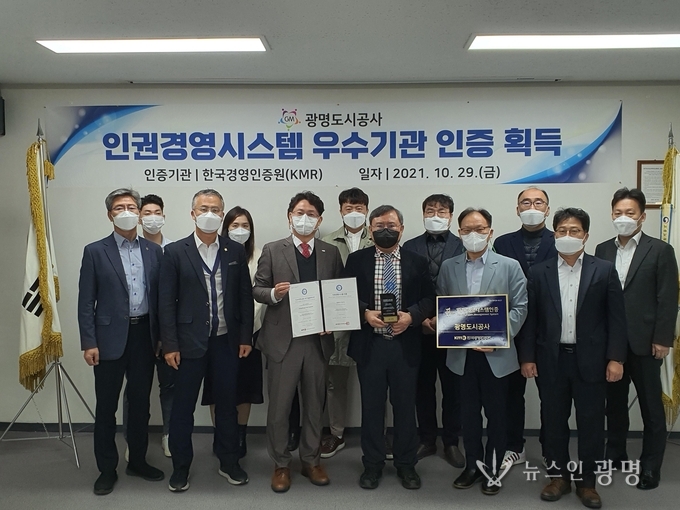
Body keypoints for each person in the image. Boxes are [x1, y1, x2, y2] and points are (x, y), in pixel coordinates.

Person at [519, 207, 627, 509]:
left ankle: (588, 482)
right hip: (551, 359)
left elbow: (616, 319)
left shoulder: (603, 269)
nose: (568, 235)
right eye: (562, 230)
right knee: (553, 421)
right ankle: (558, 477)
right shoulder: (539, 272)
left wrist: (616, 358)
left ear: (585, 235)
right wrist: (527, 357)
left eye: (574, 230)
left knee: (591, 423)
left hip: (592, 360)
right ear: (554, 234)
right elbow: (531, 319)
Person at [159, 189, 254, 493]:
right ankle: (181, 467)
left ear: (222, 214)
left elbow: (244, 298)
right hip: (187, 344)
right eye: (204, 208)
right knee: (182, 409)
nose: (209, 214)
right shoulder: (175, 251)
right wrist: (170, 344)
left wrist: (245, 336)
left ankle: (229, 461)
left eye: (215, 209)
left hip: (226, 341)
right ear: (193, 213)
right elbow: (166, 303)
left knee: (226, 405)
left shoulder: (234, 251)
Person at [253, 191, 343, 493]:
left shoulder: (331, 252)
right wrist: (274, 294)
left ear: (319, 220)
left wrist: (333, 320)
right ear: (290, 217)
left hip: (317, 341)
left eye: (311, 214)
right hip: (283, 341)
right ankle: (281, 464)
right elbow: (258, 289)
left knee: (315, 406)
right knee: (279, 408)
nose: (305, 219)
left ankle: (311, 460)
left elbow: (338, 294)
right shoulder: (272, 249)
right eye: (300, 213)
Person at [77, 187, 165, 495]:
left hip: (144, 336)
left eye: (131, 207)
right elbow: (86, 301)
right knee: (106, 407)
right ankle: (106, 469)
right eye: (119, 208)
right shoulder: (95, 251)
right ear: (109, 215)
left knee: (140, 405)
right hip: (108, 339)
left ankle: (137, 461)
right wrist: (89, 341)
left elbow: (161, 299)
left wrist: (161, 337)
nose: (126, 211)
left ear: (139, 213)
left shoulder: (154, 251)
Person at [436, 207, 527, 496]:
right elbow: (443, 304)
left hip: (496, 355)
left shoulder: (509, 265)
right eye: (467, 230)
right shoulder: (449, 266)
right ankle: (473, 465)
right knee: (469, 416)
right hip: (461, 356)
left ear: (490, 231)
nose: (473, 234)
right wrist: (441, 323)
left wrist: (497, 336)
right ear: (459, 233)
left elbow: (520, 307)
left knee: (497, 415)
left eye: (479, 229)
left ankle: (494, 467)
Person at [344, 205, 435, 490]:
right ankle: (372, 465)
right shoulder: (356, 260)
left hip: (405, 346)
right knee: (371, 408)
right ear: (370, 230)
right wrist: (364, 313)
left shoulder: (417, 261)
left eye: (392, 225)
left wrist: (411, 317)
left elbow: (430, 299)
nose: (386, 230)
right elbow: (344, 295)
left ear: (402, 229)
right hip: (370, 344)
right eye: (380, 225)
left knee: (405, 407)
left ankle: (406, 464)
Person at [595, 188, 678, 490]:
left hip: (645, 343)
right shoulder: (602, 249)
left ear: (642, 216)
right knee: (614, 405)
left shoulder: (660, 250)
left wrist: (663, 339)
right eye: (618, 212)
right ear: (612, 214)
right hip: (611, 345)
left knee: (651, 409)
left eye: (630, 213)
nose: (624, 218)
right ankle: (615, 453)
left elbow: (667, 298)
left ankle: (651, 466)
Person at [493, 187, 557, 469]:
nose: (532, 207)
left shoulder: (561, 240)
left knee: (551, 395)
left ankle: (551, 449)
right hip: (512, 327)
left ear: (547, 209)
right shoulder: (502, 242)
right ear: (517, 209)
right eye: (526, 202)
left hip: (550, 330)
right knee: (510, 395)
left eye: (538, 202)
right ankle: (513, 446)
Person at [403, 193, 465, 467]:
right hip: (419, 328)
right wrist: (422, 318)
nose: (436, 216)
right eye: (430, 211)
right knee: (422, 386)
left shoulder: (463, 245)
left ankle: (451, 441)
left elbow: (468, 289)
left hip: (454, 327)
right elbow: (406, 287)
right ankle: (427, 439)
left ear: (451, 216)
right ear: (423, 214)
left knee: (453, 388)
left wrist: (443, 319)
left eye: (442, 211)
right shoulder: (410, 246)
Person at [201, 206, 266, 459]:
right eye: (235, 225)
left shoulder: (260, 256)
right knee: (217, 388)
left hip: (251, 333)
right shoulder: (215, 253)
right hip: (219, 334)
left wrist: (246, 329)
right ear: (225, 228)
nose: (240, 230)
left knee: (244, 388)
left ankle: (240, 435)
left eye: (245, 226)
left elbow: (257, 297)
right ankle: (221, 435)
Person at [320, 187, 373, 458]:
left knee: (376, 381)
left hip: (372, 320)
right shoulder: (327, 242)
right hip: (337, 322)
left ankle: (376, 434)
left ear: (367, 210)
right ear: (340, 210)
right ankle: (337, 433)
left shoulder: (379, 237)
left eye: (359, 208)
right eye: (348, 208)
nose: (354, 213)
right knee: (335, 382)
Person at [123, 193, 175, 459]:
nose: (153, 218)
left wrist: (168, 334)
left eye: (157, 213)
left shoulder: (175, 249)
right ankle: (133, 440)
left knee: (170, 386)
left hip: (169, 332)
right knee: (135, 388)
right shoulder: (131, 250)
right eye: (147, 213)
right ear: (139, 217)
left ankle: (169, 435)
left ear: (164, 216)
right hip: (140, 331)